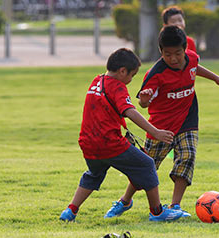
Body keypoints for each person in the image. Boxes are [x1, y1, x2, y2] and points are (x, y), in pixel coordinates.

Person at [105, 26, 219, 218]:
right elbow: (143, 104)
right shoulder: (155, 73)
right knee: (147, 167)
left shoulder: (191, 58)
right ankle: (125, 201)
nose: (173, 58)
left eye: (177, 54)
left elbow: (195, 67)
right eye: (167, 54)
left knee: (187, 157)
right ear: (161, 52)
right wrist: (145, 99)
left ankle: (174, 206)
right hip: (160, 127)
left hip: (188, 119)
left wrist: (217, 79)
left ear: (184, 49)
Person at [60, 48, 185, 222]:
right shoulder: (117, 86)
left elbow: (104, 112)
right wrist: (155, 132)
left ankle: (70, 210)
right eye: (131, 76)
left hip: (88, 143)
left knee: (94, 174)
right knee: (147, 164)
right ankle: (157, 212)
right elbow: (130, 111)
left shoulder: (97, 81)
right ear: (122, 71)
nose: (130, 80)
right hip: (109, 143)